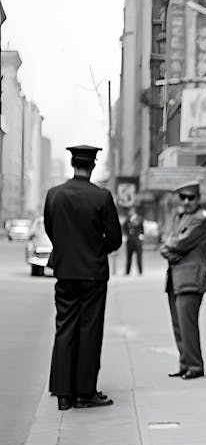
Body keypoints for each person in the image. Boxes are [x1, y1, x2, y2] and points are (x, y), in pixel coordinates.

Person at [45, 144, 123, 410]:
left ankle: (63, 393)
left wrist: (67, 250)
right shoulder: (101, 197)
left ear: (72, 164)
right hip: (93, 274)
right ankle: (84, 392)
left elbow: (50, 228)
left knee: (65, 327)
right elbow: (115, 238)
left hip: (65, 272)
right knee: (89, 330)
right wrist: (95, 250)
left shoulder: (54, 195)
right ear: (92, 166)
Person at [160, 182, 206, 380]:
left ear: (198, 199)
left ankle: (195, 366)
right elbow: (166, 240)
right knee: (178, 325)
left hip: (191, 277)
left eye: (191, 197)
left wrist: (170, 246)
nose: (186, 201)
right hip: (175, 277)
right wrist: (170, 246)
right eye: (183, 197)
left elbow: (180, 243)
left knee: (187, 324)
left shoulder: (201, 219)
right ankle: (184, 363)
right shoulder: (179, 216)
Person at [123, 207, 145, 275]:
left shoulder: (139, 219)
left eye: (131, 211)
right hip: (129, 240)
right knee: (128, 257)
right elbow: (124, 227)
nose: (130, 212)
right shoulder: (127, 219)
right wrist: (125, 235)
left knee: (139, 257)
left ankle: (140, 271)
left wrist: (141, 235)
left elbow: (142, 228)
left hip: (137, 240)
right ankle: (127, 272)